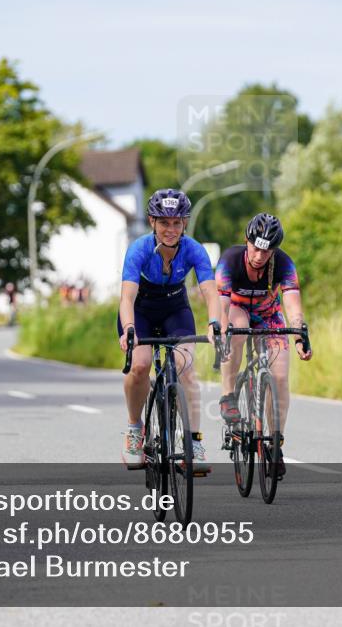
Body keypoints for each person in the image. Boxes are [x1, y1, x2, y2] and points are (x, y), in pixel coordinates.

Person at [118, 189, 223, 473]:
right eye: (164, 222)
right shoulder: (139, 249)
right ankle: (134, 429)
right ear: (152, 221)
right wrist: (128, 328)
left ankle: (194, 442)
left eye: (177, 223)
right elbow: (126, 298)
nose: (171, 229)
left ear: (185, 223)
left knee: (187, 368)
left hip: (175, 309)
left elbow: (211, 294)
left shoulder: (193, 249)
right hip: (140, 310)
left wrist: (215, 323)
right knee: (139, 366)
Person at [216, 213, 312, 479]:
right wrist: (220, 328)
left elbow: (292, 304)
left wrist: (299, 336)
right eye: (256, 248)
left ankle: (274, 443)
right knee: (235, 328)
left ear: (274, 250)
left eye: (266, 251)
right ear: (247, 241)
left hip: (269, 316)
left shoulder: (283, 264)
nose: (260, 255)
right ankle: (228, 396)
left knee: (280, 375)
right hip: (237, 310)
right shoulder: (230, 261)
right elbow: (222, 305)